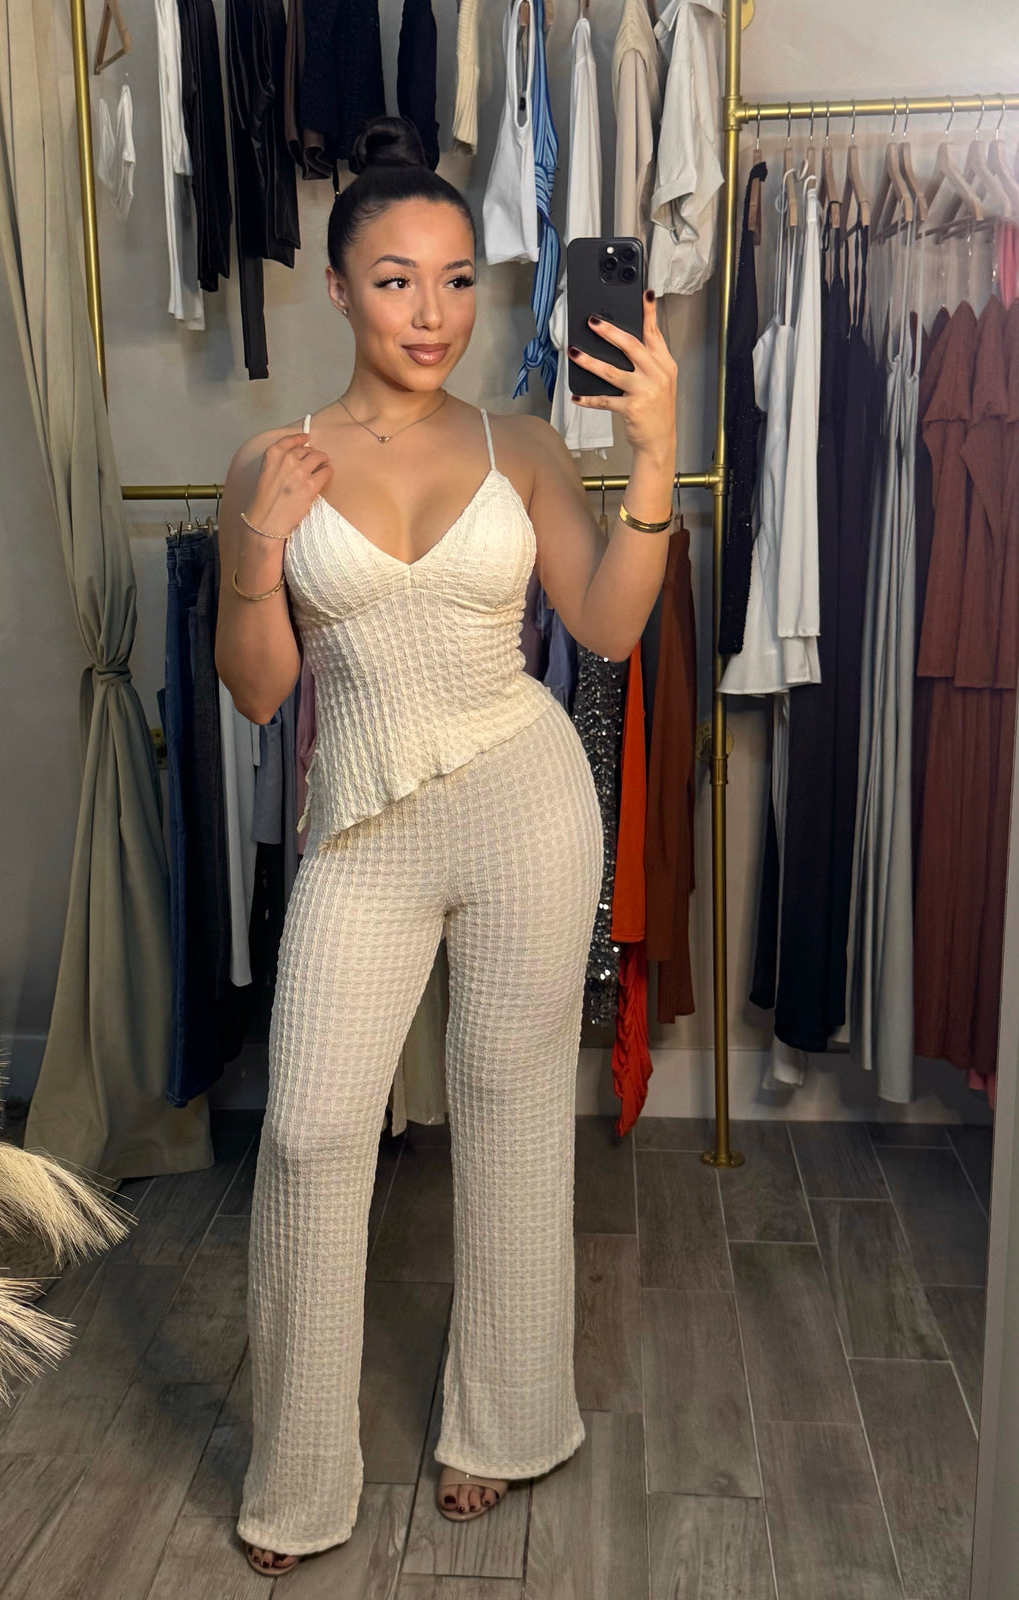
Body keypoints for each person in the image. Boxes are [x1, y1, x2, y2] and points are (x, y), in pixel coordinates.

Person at [214, 115, 677, 1577]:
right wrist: (254, 554)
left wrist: (655, 459)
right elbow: (260, 692)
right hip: (363, 822)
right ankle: (300, 1474)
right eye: (397, 280)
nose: (434, 313)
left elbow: (606, 626)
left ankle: (505, 1421)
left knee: (515, 1111)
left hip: (526, 801)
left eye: (460, 279)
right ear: (337, 289)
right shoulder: (272, 461)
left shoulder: (518, 444)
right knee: (309, 1132)